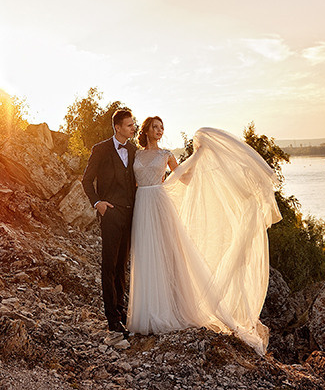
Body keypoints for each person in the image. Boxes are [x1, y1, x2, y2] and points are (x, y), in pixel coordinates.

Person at [127, 119, 282, 355]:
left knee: (168, 255)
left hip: (159, 203)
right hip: (141, 204)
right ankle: (146, 312)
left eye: (162, 127)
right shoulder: (136, 155)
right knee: (145, 254)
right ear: (146, 130)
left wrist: (198, 157)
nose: (160, 130)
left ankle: (167, 310)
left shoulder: (166, 154)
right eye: (155, 127)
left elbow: (183, 178)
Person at [81, 109, 138, 336]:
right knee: (109, 266)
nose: (133, 128)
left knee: (122, 265)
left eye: (133, 124)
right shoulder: (101, 149)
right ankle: (112, 319)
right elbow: (86, 180)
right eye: (129, 125)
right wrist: (98, 203)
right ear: (117, 127)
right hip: (110, 214)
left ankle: (121, 312)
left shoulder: (133, 150)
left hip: (130, 214)